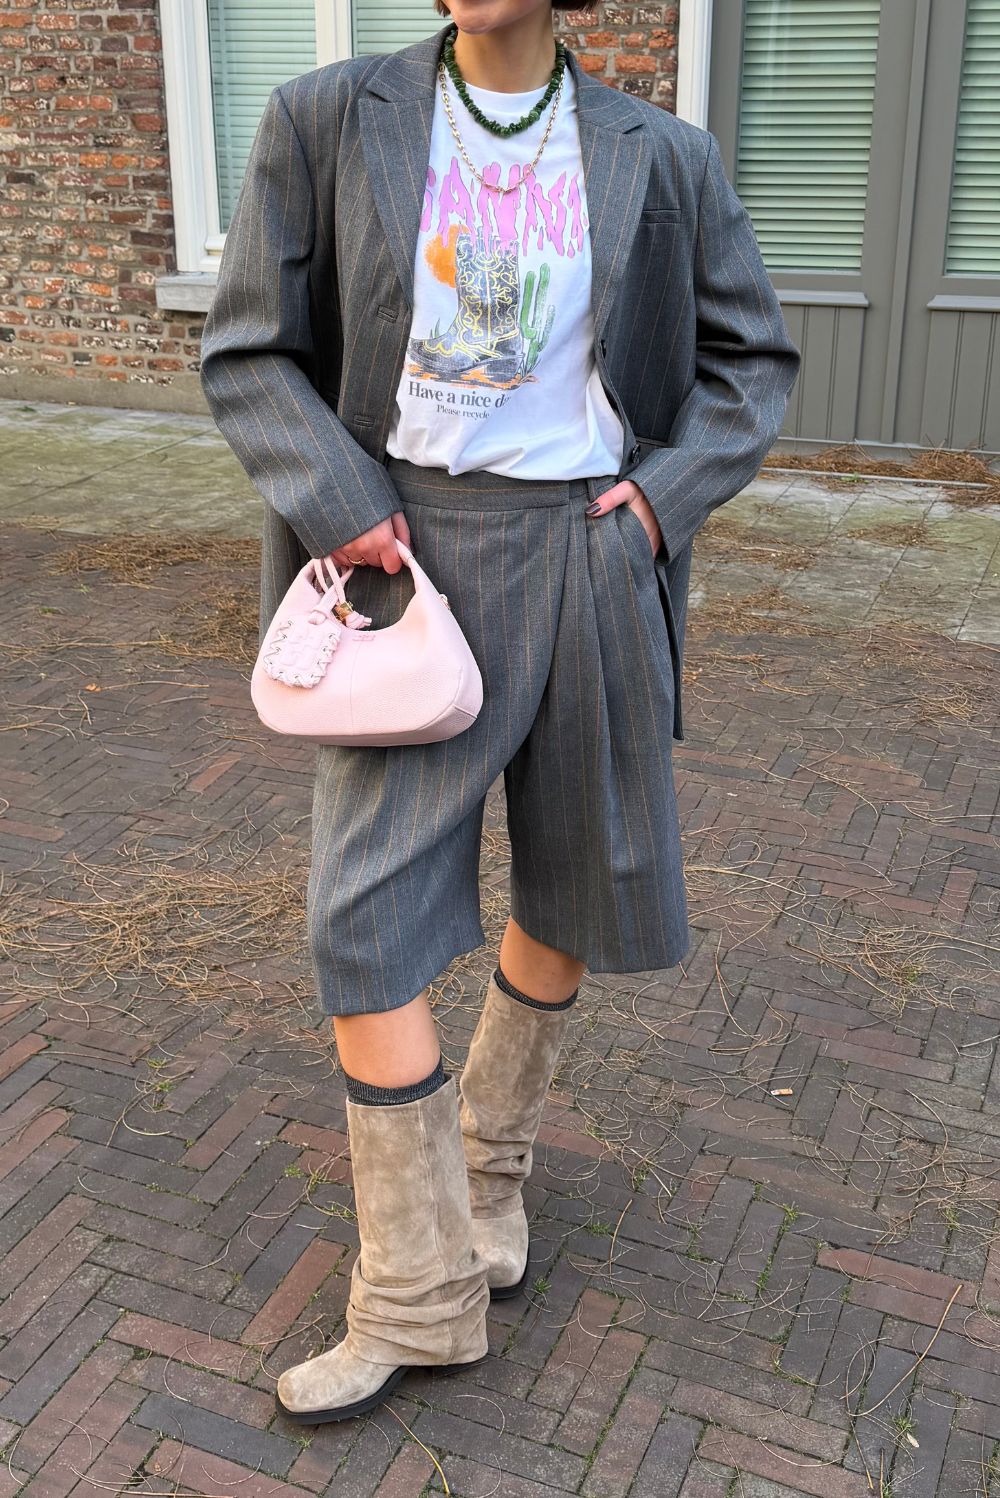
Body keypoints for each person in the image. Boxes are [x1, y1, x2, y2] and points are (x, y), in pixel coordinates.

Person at [199, 0, 801, 1425]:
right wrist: (341, 504)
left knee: (571, 880)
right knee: (361, 918)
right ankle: (418, 1297)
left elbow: (752, 364)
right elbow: (250, 349)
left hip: (592, 549)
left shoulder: (663, 155)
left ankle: (491, 1174)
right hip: (403, 557)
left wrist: (656, 505)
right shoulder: (326, 118)